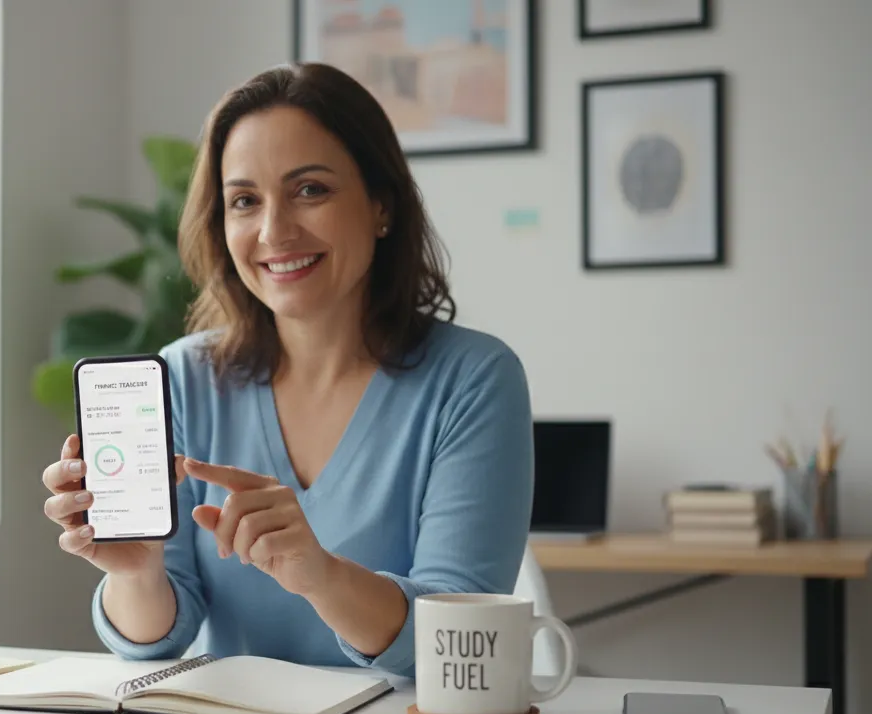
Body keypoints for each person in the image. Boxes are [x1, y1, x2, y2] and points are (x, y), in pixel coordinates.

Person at [41, 62, 533, 681]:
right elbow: (158, 644)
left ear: (382, 205)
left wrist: (321, 577)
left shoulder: (474, 380)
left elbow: (462, 640)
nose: (274, 232)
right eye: (245, 201)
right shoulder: (186, 378)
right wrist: (137, 572)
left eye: (310, 190)